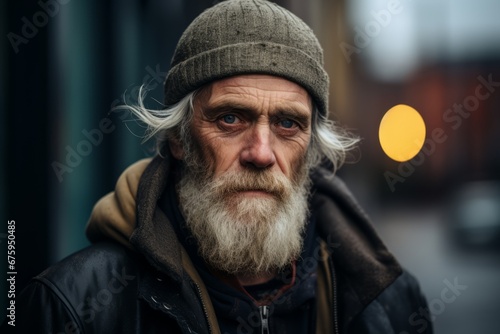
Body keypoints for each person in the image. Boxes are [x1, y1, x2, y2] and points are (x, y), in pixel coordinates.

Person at [4, 0, 432, 333]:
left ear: (311, 150)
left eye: (287, 124)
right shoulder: (73, 308)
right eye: (230, 118)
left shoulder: (390, 303)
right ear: (178, 140)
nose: (261, 153)